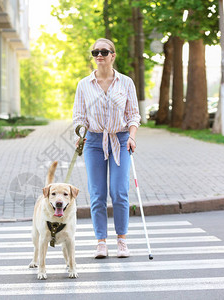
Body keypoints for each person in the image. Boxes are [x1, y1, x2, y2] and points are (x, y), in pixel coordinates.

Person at [72, 38, 141, 258]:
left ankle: (122, 240)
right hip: (93, 142)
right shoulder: (84, 85)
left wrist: (131, 137)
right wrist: (80, 133)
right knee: (97, 194)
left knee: (119, 192)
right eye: (95, 52)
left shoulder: (126, 83)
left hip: (120, 140)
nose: (99, 55)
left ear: (113, 55)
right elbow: (79, 116)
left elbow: (133, 115)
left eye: (104, 51)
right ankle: (101, 241)